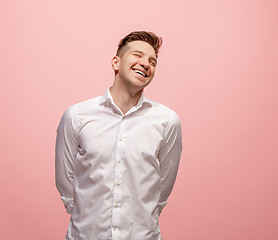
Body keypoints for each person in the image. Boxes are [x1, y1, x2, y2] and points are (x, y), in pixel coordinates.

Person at [55, 31, 182, 240]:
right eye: (137, 55)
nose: (145, 63)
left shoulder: (167, 121)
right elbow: (64, 180)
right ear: (116, 62)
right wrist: (87, 217)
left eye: (152, 61)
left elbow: (163, 186)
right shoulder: (77, 115)